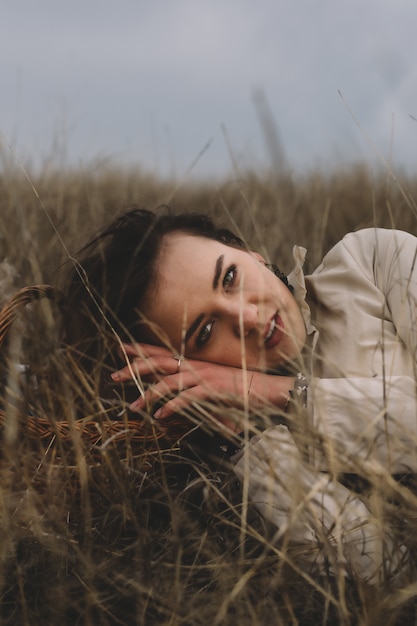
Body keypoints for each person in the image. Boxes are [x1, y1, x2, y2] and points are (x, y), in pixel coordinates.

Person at [62, 206, 417, 585]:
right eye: (206, 330)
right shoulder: (245, 461)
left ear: (249, 252)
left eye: (230, 276)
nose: (247, 318)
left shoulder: (370, 263)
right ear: (180, 366)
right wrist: (243, 438)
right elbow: (388, 570)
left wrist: (282, 393)